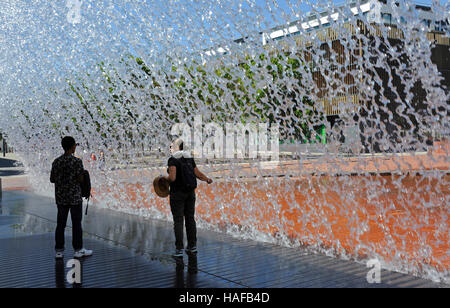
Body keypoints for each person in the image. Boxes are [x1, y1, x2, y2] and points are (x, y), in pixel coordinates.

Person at [164, 138, 213, 257]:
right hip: (190, 192)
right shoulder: (189, 158)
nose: (170, 149)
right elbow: (198, 173)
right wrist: (207, 179)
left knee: (179, 220)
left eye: (172, 147)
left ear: (177, 148)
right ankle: (192, 246)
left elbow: (173, 177)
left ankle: (179, 249)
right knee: (190, 219)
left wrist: (164, 179)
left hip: (177, 194)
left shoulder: (173, 160)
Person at [50, 136, 93, 259]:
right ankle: (78, 250)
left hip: (61, 197)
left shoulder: (56, 161)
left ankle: (59, 251)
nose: (75, 147)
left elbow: (52, 179)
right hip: (74, 197)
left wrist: (61, 179)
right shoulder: (76, 162)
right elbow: (80, 179)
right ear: (72, 146)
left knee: (60, 224)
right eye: (75, 145)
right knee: (76, 224)